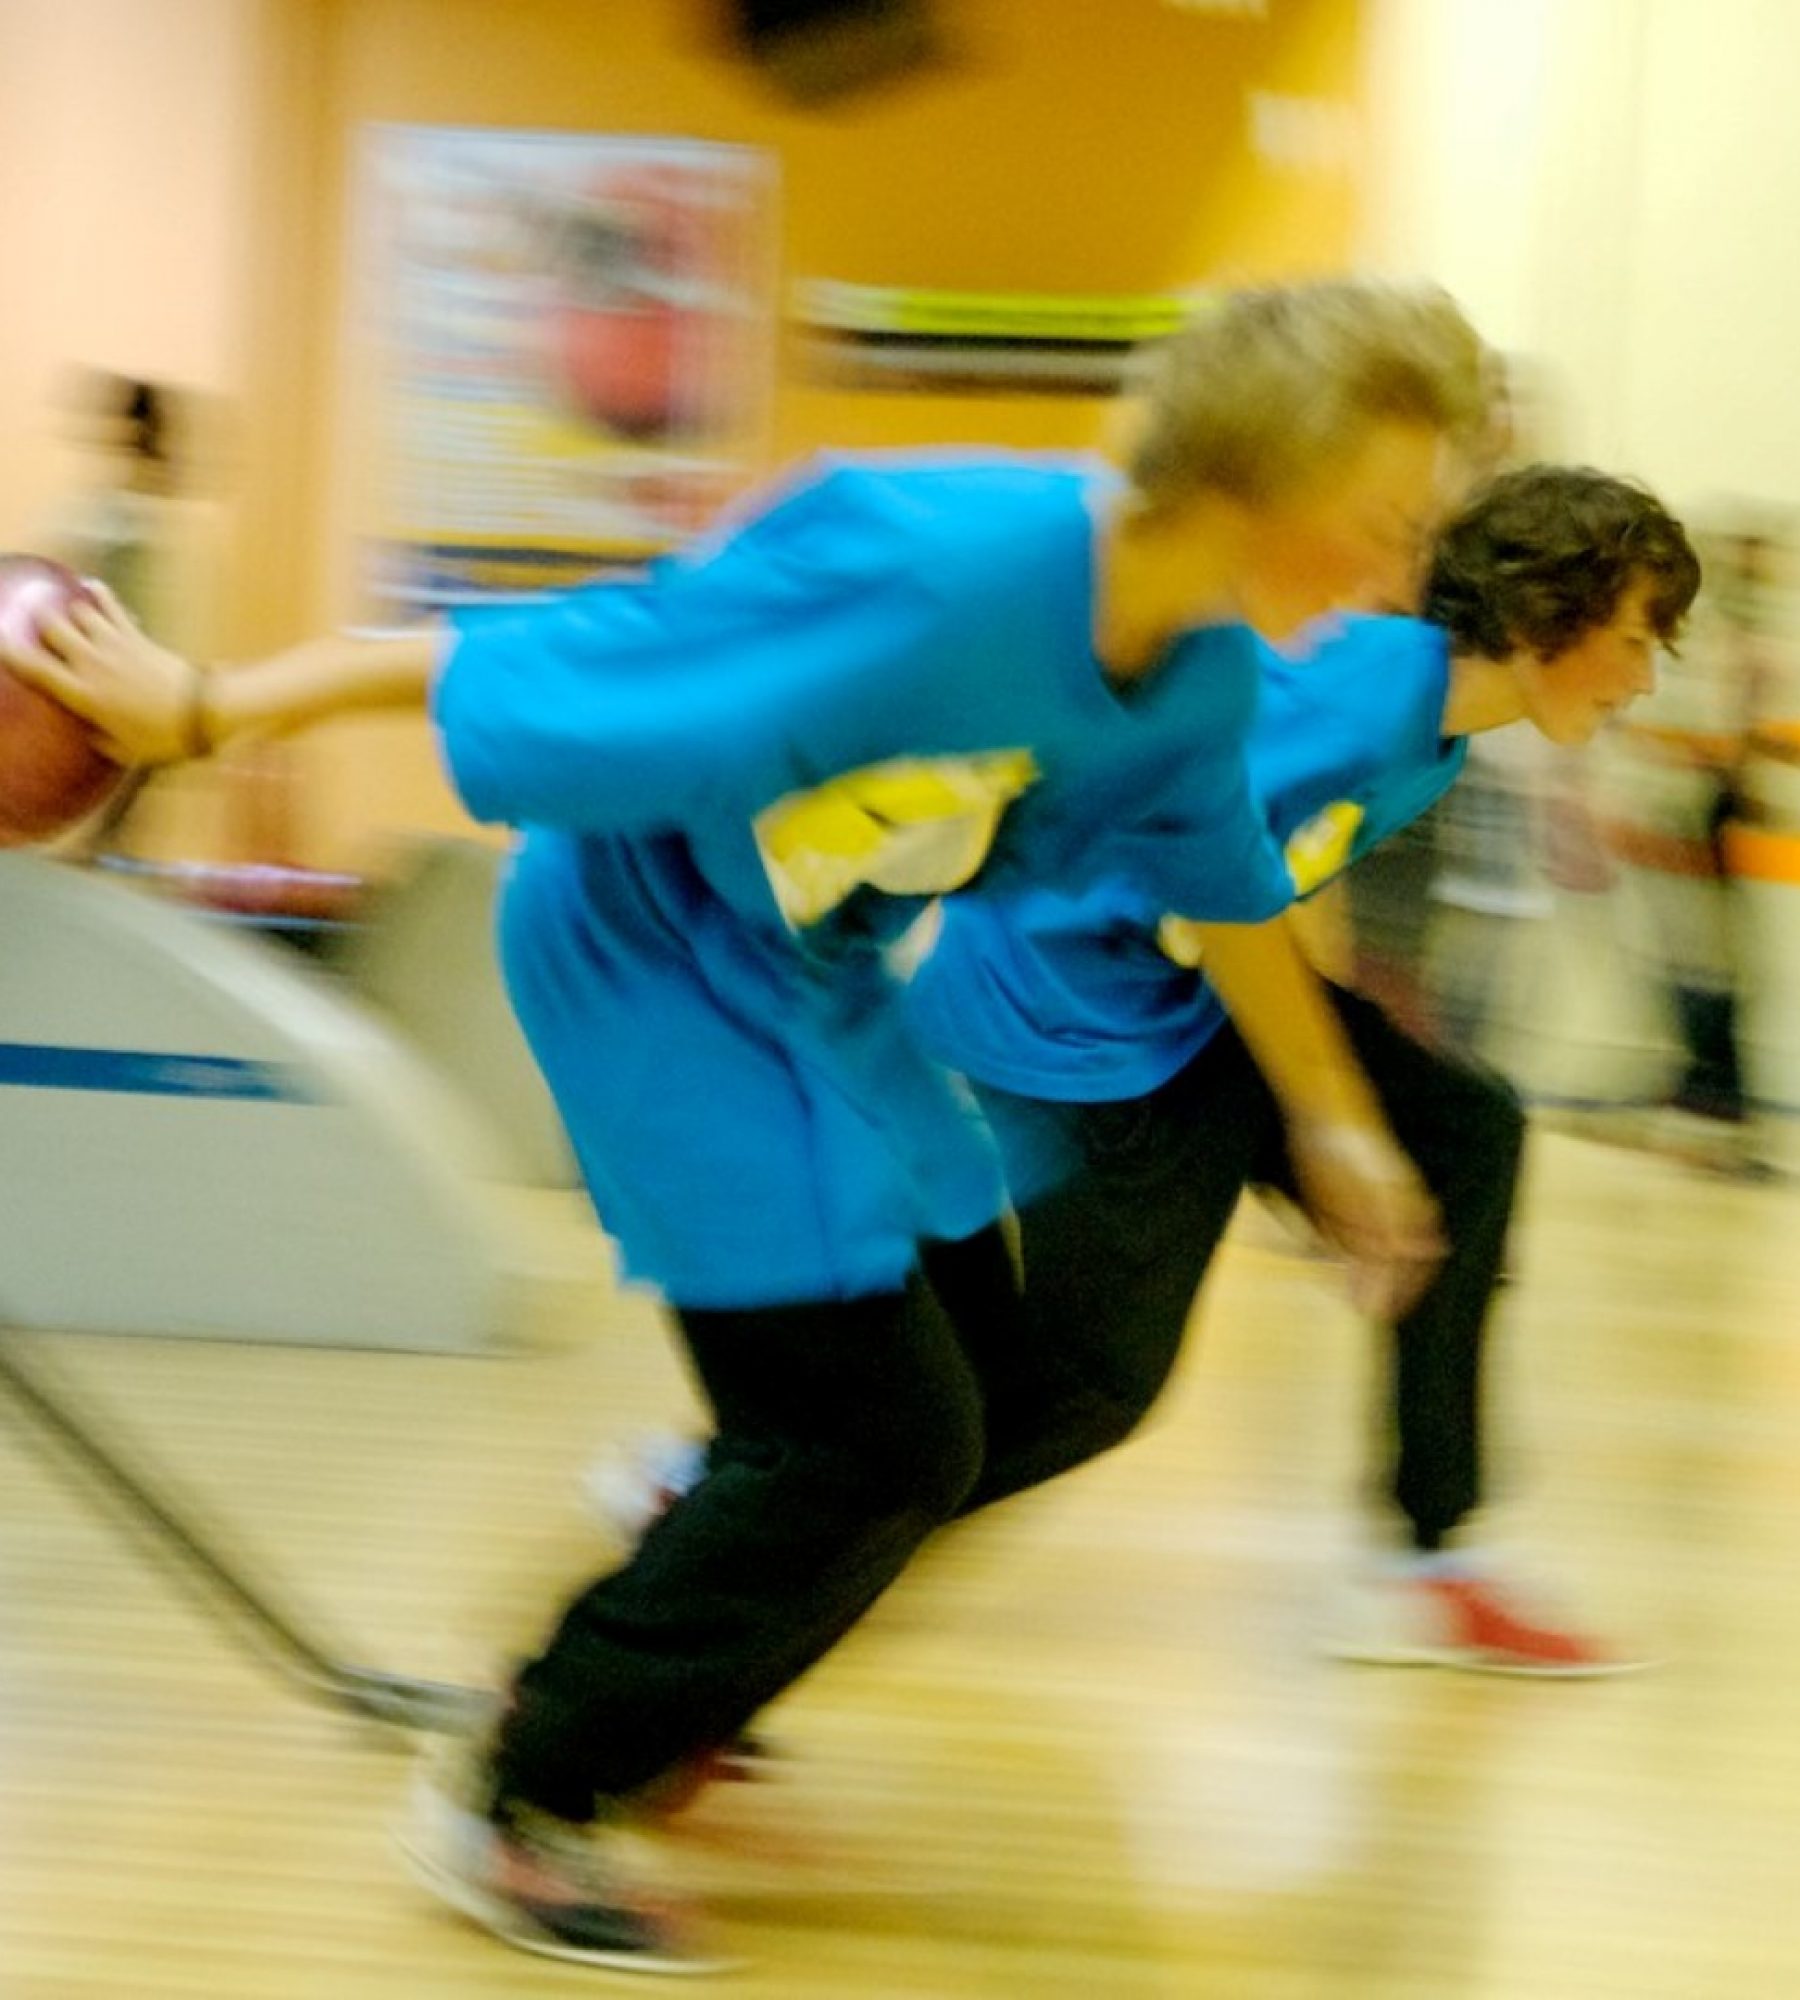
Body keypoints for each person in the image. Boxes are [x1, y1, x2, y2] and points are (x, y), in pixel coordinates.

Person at [6, 279, 1488, 1972]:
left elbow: (1224, 885)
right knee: (869, 1436)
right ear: (1256, 478)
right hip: (649, 953)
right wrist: (202, 709)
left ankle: (688, 1635)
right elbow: (566, 649)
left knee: (1049, 1376)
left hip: (813, 975)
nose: (1394, 576)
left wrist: (1340, 1124)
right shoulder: (951, 562)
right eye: (1380, 525)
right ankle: (524, 1782)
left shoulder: (1203, 675)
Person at [905, 465, 1701, 1668]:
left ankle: (1427, 1556)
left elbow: (1280, 884)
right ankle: (786, 1512)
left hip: (1173, 995)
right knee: (1092, 1387)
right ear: (1548, 613)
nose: (1646, 677)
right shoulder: (1361, 705)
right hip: (1074, 1019)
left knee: (1463, 1130)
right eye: (1639, 636)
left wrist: (1348, 1094)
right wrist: (1334, 1126)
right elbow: (1208, 882)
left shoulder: (1428, 720)